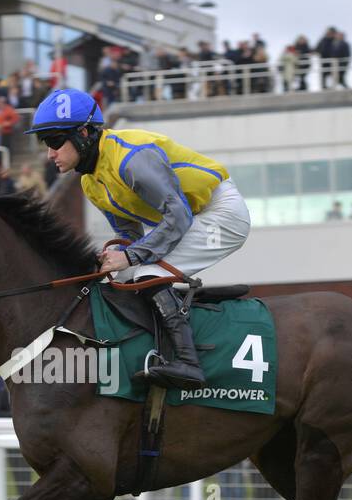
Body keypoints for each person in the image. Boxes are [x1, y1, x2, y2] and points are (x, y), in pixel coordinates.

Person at [24, 87, 251, 390]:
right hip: (189, 218)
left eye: (54, 141)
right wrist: (116, 254)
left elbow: (178, 216)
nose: (50, 153)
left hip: (222, 214)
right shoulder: (90, 183)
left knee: (145, 271)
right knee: (124, 273)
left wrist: (131, 256)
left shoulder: (131, 159)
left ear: (84, 133)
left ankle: (188, 362)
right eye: (45, 143)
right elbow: (129, 234)